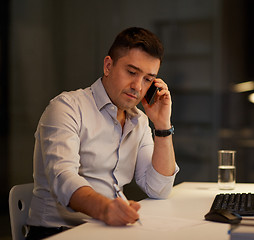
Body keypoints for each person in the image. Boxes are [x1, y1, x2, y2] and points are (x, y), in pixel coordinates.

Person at [26, 27, 179, 239]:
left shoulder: (140, 121)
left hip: (109, 231)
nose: (137, 86)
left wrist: (162, 125)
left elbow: (158, 189)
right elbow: (64, 179)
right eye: (132, 72)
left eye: (147, 79)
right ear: (108, 66)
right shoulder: (67, 108)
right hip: (59, 232)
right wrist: (106, 209)